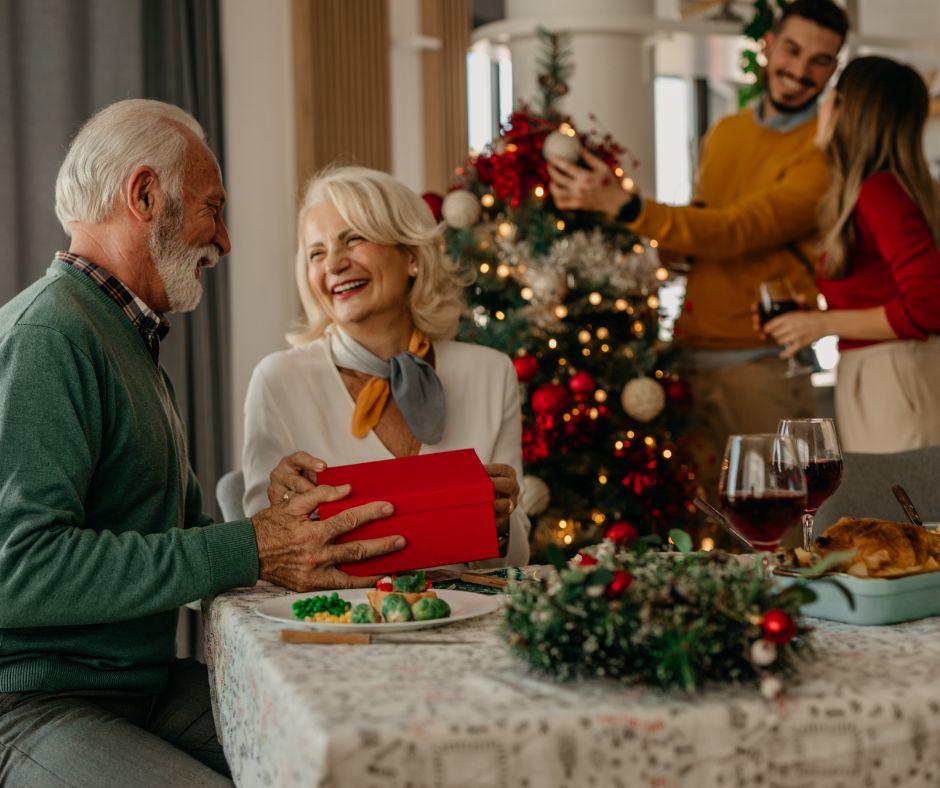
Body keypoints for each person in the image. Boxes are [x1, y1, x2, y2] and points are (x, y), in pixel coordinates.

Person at [0, 100, 407, 787]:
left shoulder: (121, 333)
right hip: (41, 704)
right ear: (145, 195)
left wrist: (280, 535)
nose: (224, 238)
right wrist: (252, 546)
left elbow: (180, 539)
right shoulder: (52, 334)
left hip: (141, 687)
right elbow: (18, 570)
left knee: (351, 754)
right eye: (212, 208)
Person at [548, 0, 849, 492]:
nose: (799, 70)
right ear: (769, 47)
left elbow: (737, 229)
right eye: (792, 50)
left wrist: (626, 206)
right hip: (689, 358)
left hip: (762, 368)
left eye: (819, 61)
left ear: (833, 69)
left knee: (775, 537)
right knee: (703, 534)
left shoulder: (823, 154)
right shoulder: (726, 132)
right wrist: (672, 250)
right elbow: (707, 224)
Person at [242, 166, 531, 567]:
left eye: (353, 239)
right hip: (336, 625)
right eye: (316, 253)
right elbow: (263, 561)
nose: (334, 264)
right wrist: (283, 516)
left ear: (411, 256)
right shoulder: (278, 381)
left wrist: (502, 522)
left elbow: (512, 564)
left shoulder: (491, 373)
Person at [762, 56, 940, 452]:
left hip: (893, 378)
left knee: (900, 511)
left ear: (848, 112)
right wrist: (819, 320)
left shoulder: (879, 192)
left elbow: (930, 305)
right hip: (887, 376)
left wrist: (823, 324)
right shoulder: (883, 189)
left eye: (831, 97)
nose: (822, 108)